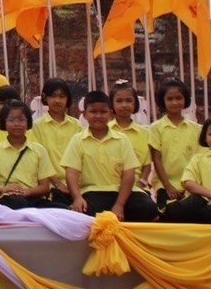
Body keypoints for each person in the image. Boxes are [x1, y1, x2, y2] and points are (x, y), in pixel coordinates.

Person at [62, 91, 158, 222]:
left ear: (111, 114)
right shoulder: (77, 140)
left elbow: (129, 174)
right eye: (93, 112)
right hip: (92, 192)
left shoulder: (122, 140)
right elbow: (71, 173)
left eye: (103, 112)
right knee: (80, 213)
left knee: (148, 208)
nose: (98, 116)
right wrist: (77, 198)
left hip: (122, 193)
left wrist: (120, 205)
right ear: (84, 114)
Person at [0, 100, 57, 209]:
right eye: (11, 120)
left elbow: (45, 187)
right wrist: (5, 190)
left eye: (21, 120)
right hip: (6, 200)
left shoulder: (39, 150)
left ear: (28, 122)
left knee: (62, 209)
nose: (17, 124)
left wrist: (27, 192)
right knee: (17, 203)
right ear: (4, 122)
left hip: (32, 199)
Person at [149, 80, 201, 208]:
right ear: (163, 101)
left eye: (179, 98)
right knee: (170, 214)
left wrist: (194, 185)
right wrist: (168, 186)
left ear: (186, 100)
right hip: (165, 186)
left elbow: (200, 160)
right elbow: (157, 158)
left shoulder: (196, 129)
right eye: (170, 99)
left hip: (191, 185)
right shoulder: (156, 128)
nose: (174, 102)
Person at [29, 79, 81, 201]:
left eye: (62, 96)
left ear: (67, 99)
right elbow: (40, 160)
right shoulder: (38, 126)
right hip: (49, 187)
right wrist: (58, 184)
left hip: (77, 186)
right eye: (53, 96)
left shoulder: (77, 126)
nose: (57, 100)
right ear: (45, 98)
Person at [110, 82, 153, 191]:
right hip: (110, 186)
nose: (124, 105)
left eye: (129, 101)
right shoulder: (105, 130)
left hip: (137, 187)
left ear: (135, 104)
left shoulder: (145, 133)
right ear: (112, 104)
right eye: (119, 101)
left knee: (148, 207)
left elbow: (147, 164)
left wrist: (142, 182)